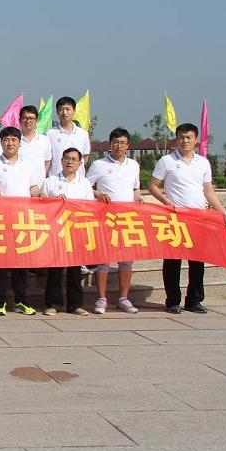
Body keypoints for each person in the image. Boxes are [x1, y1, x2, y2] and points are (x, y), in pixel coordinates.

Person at [148, 122, 226, 314]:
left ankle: (194, 300)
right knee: (173, 261)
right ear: (176, 139)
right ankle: (173, 301)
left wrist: (222, 211)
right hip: (175, 217)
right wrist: (167, 201)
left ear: (196, 140)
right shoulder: (167, 161)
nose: (185, 141)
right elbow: (153, 186)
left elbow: (208, 191)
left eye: (189, 138)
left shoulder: (203, 162)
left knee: (197, 261)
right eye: (181, 137)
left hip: (198, 217)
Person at [0, 127, 40, 316]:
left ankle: (21, 301)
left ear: (19, 143)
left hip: (22, 220)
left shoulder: (28, 165)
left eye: (14, 140)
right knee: (1, 264)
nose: (10, 143)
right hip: (1, 220)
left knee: (21, 265)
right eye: (6, 140)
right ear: (1, 142)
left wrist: (44, 196)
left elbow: (34, 189)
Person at [87, 127, 142, 314]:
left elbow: (136, 189)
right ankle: (101, 298)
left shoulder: (133, 165)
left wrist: (138, 200)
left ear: (128, 145)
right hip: (105, 217)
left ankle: (123, 298)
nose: (119, 146)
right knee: (103, 258)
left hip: (127, 218)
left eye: (123, 143)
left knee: (126, 259)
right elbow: (86, 186)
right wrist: (98, 194)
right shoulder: (99, 165)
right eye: (115, 142)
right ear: (110, 144)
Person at [39, 147, 94, 316]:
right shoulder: (50, 181)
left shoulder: (84, 183)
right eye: (66, 158)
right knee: (55, 269)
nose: (69, 162)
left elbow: (90, 207)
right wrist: (54, 202)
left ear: (80, 163)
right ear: (61, 161)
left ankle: (75, 305)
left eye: (73, 159)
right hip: (55, 231)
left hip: (76, 231)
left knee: (75, 270)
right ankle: (53, 304)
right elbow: (41, 204)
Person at [48, 96, 91, 176]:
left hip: (77, 179)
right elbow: (47, 159)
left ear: (74, 111)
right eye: (61, 109)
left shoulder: (83, 134)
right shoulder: (50, 133)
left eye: (68, 109)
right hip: (56, 179)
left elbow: (85, 157)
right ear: (57, 112)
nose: (64, 113)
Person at [18, 105, 52, 188]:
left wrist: (41, 177)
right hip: (18, 186)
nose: (28, 121)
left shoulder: (44, 140)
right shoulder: (14, 140)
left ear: (36, 120)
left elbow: (47, 162)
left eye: (31, 118)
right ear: (19, 120)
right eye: (25, 118)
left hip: (39, 186)